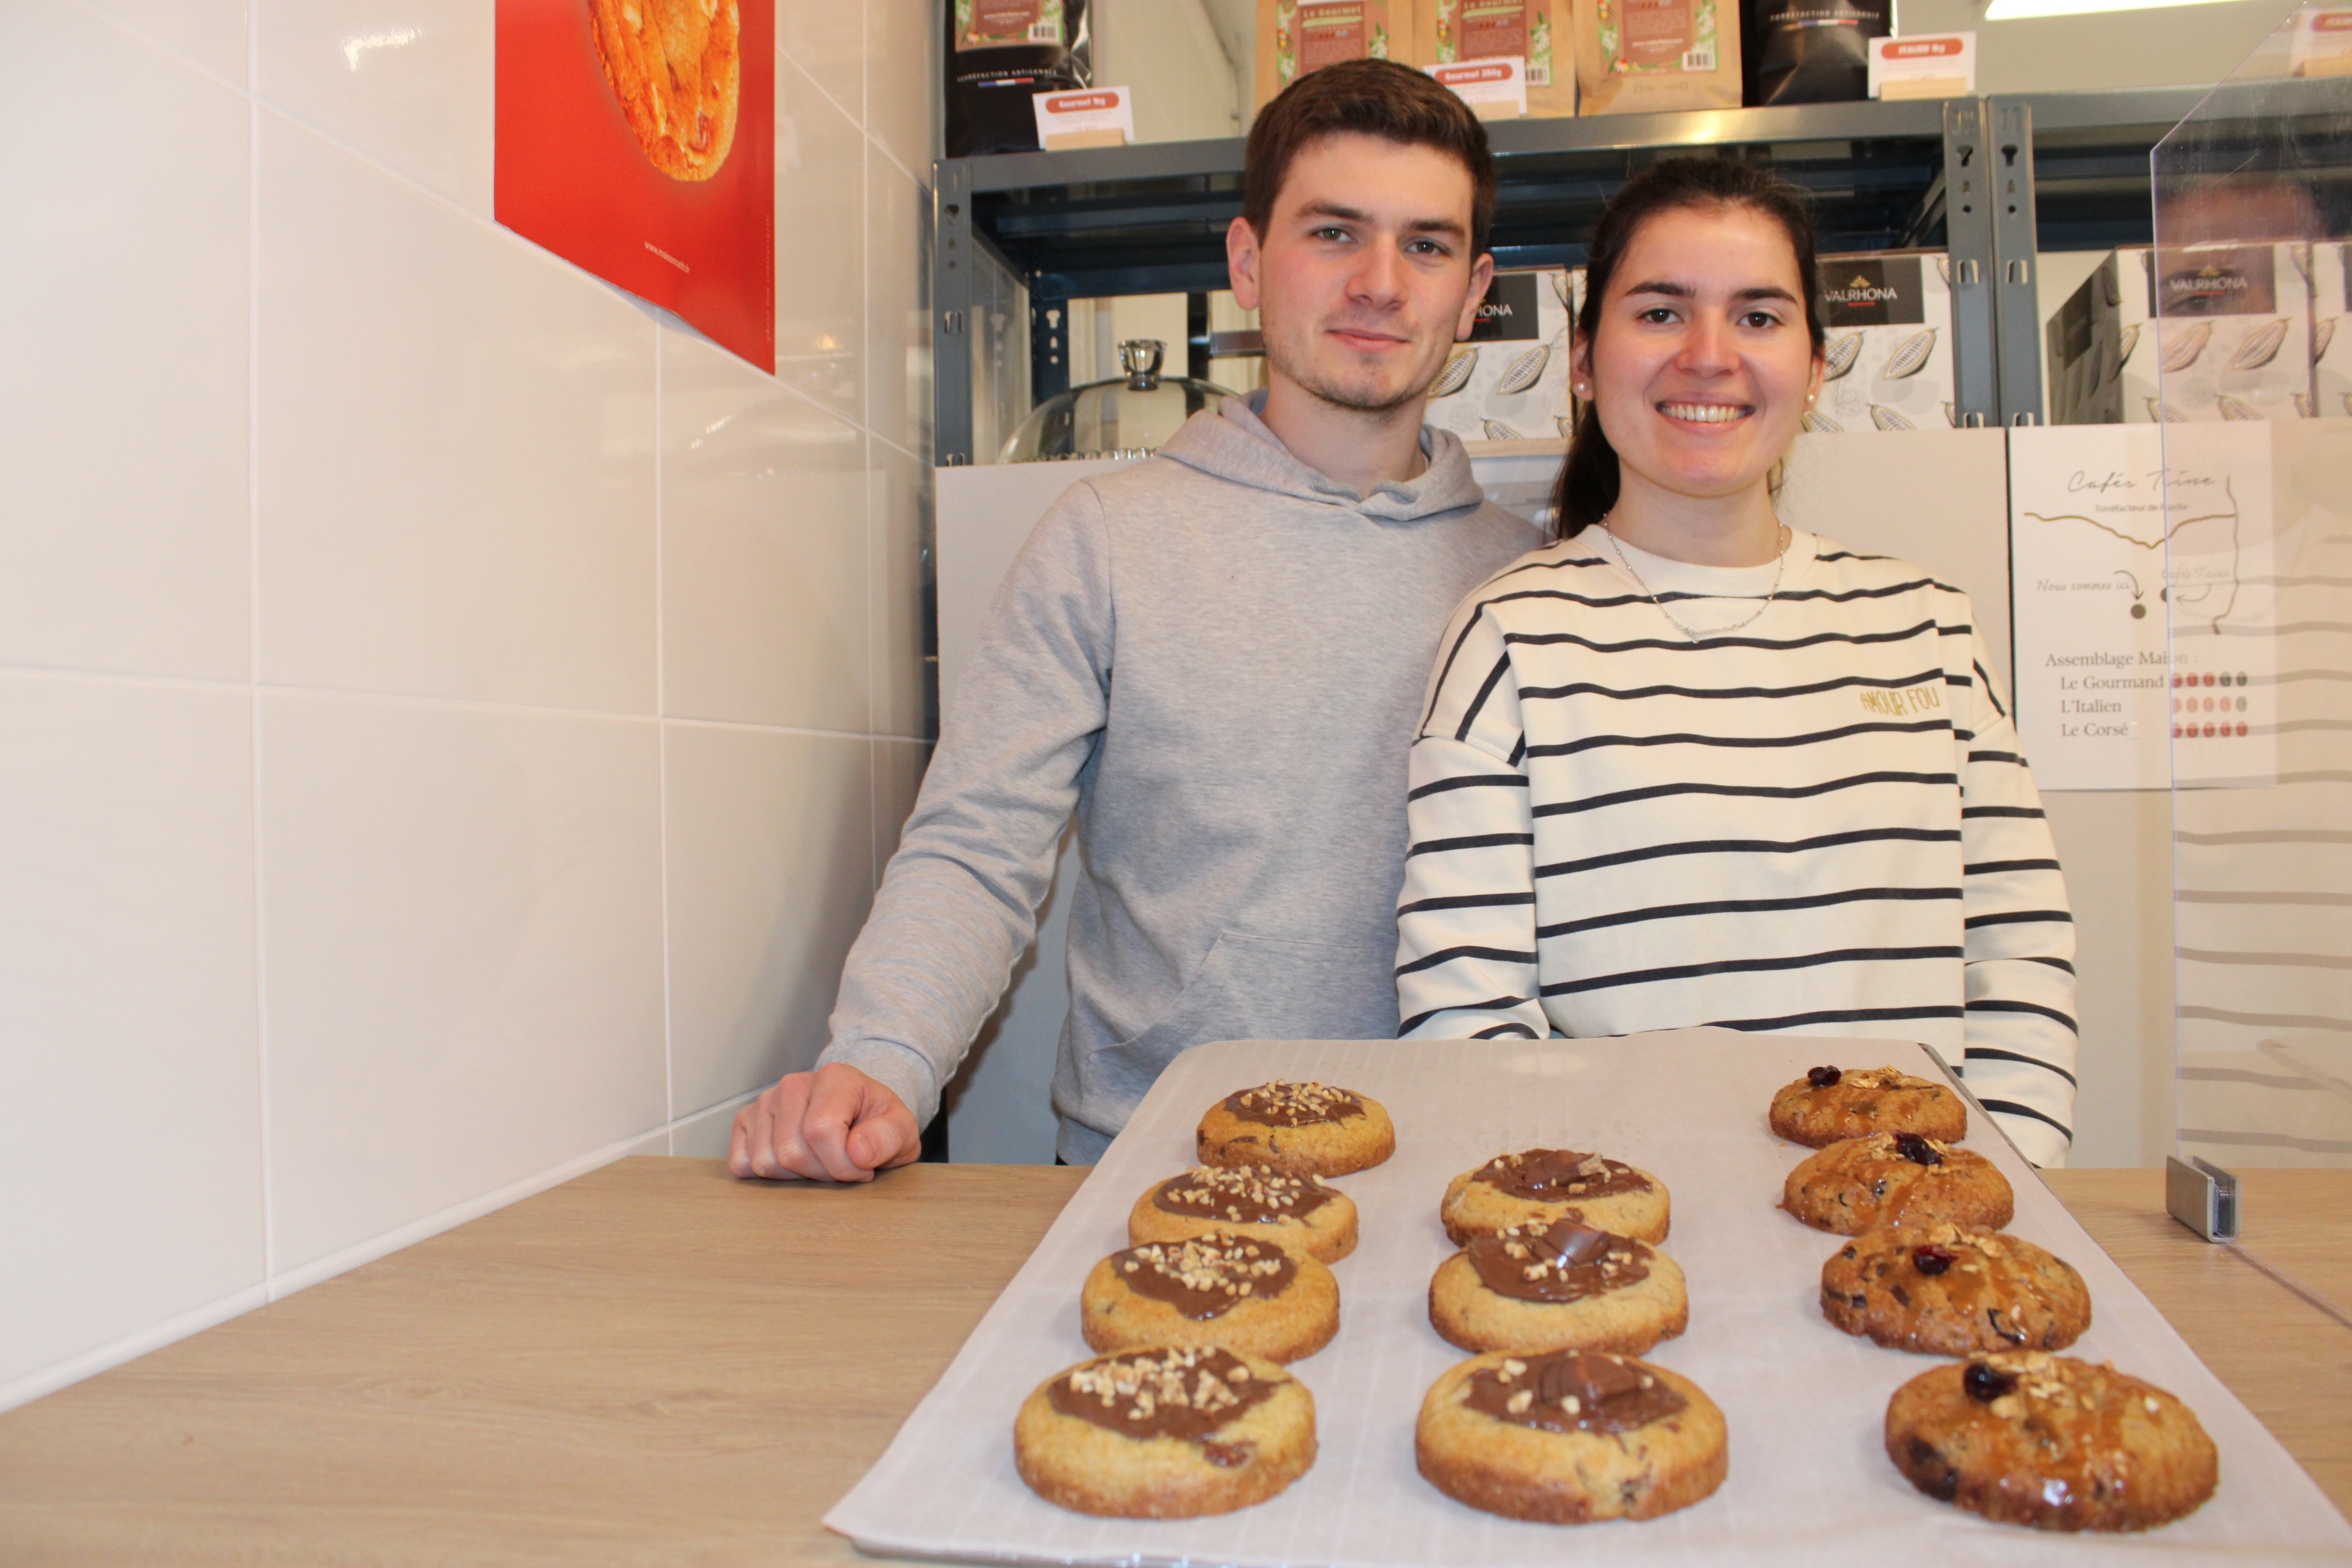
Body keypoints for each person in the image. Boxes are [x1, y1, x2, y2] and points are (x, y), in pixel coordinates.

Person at [730, 60, 1541, 1179]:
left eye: (1428, 246)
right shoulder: (1107, 538)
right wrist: (885, 1057)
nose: (1382, 283)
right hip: (1151, 1179)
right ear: (1250, 262)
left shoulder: (1526, 579)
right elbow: (980, 844)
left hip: (1454, 1181)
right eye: (1335, 234)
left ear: (1474, 286)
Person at [1393, 159, 2080, 1167]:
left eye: (1759, 317)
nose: (1709, 356)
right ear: (1584, 359)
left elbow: (2018, 959)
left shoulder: (1926, 623)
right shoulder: (1509, 634)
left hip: (1910, 1231)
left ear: (1815, 365)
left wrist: (1999, 1189)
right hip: (1623, 1239)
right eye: (1662, 313)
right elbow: (1466, 1006)